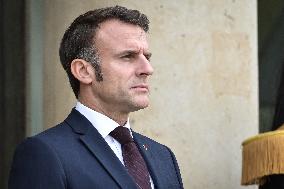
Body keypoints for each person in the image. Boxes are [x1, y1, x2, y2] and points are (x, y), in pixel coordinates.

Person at [8, 5, 184, 189]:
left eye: (146, 57)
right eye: (127, 56)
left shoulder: (163, 156)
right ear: (84, 71)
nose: (148, 69)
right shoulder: (44, 153)